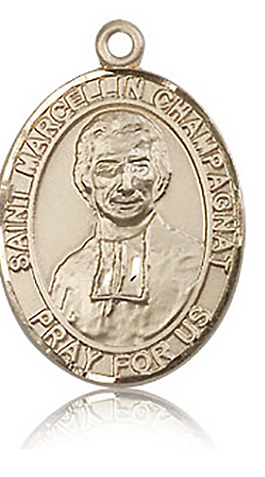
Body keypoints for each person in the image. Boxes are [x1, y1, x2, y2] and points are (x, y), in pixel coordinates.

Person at [50, 110, 202, 348]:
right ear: (86, 179)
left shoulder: (194, 264)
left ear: (159, 174)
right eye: (108, 170)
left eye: (139, 167)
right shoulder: (69, 275)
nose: (127, 185)